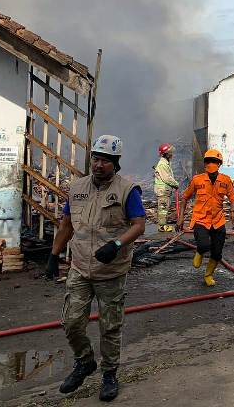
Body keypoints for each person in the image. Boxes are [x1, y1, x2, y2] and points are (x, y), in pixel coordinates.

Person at [45, 134, 146, 402]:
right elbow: (67, 224)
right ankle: (85, 361)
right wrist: (54, 256)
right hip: (79, 267)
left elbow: (138, 224)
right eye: (96, 158)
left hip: (111, 271)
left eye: (105, 160)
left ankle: (109, 374)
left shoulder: (127, 190)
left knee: (110, 327)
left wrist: (116, 244)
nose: (99, 164)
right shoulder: (77, 188)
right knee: (71, 322)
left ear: (115, 163)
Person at [179, 149, 234, 286]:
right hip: (200, 219)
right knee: (204, 245)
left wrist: (232, 211)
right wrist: (181, 218)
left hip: (218, 220)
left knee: (217, 252)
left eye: (214, 161)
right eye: (209, 161)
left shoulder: (225, 180)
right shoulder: (197, 180)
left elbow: (233, 198)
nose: (211, 163)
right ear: (205, 163)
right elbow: (185, 197)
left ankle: (208, 275)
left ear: (219, 164)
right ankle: (200, 250)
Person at [153, 143, 178, 233]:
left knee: (164, 208)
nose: (172, 154)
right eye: (170, 153)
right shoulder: (163, 164)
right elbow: (166, 178)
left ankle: (163, 225)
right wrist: (175, 184)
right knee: (163, 209)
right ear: (166, 154)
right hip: (163, 190)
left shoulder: (166, 163)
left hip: (164, 190)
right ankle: (162, 227)